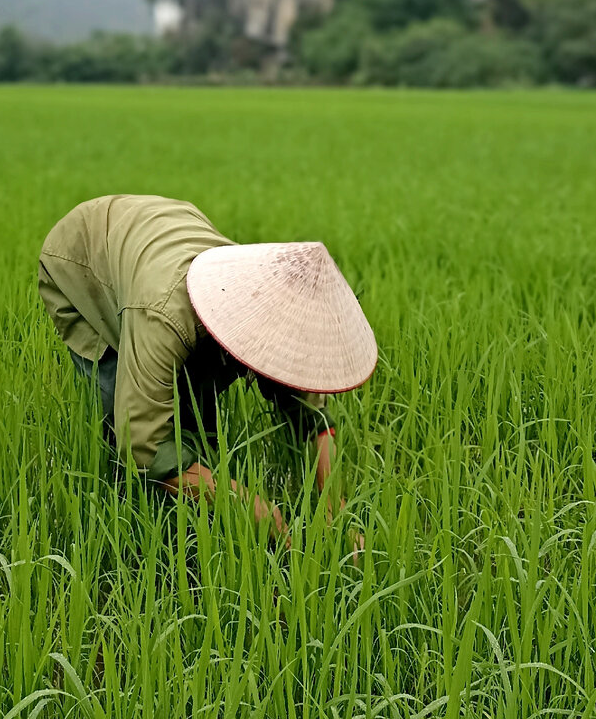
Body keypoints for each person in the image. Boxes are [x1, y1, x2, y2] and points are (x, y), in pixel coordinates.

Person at [37, 194, 377, 539]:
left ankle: (194, 480)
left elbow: (313, 416)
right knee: (125, 416)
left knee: (193, 403)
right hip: (82, 259)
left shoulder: (266, 296)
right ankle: (142, 525)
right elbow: (141, 445)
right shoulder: (162, 314)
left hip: (161, 234)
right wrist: (248, 505)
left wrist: (336, 509)